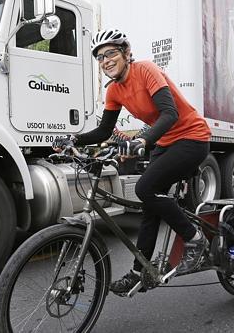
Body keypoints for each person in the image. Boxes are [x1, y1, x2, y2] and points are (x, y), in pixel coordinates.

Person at [52, 29, 212, 296]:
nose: (105, 60)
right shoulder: (114, 90)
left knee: (145, 189)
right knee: (150, 205)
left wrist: (142, 141)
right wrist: (73, 139)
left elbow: (170, 113)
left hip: (191, 137)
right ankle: (142, 273)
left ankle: (195, 240)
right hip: (164, 142)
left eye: (111, 53)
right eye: (100, 57)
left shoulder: (146, 70)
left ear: (126, 53)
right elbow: (104, 130)